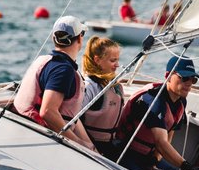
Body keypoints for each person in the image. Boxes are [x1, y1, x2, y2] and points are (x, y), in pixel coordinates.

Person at [11, 15, 95, 150]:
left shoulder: (47, 61)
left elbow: (71, 116)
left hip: (22, 128)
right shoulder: (63, 70)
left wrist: (90, 146)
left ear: (53, 38)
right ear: (80, 38)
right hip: (40, 139)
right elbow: (48, 112)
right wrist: (79, 144)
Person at [116, 55, 199, 170]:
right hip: (126, 152)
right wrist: (186, 166)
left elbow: (169, 134)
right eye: (185, 78)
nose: (189, 83)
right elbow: (161, 142)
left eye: (193, 79)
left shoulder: (181, 101)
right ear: (168, 76)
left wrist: (155, 160)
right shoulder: (153, 100)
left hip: (149, 157)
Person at [80, 36, 125, 160]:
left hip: (110, 146)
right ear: (97, 60)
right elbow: (75, 119)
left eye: (117, 60)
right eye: (112, 60)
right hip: (92, 148)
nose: (117, 65)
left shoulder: (116, 87)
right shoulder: (90, 86)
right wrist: (90, 147)